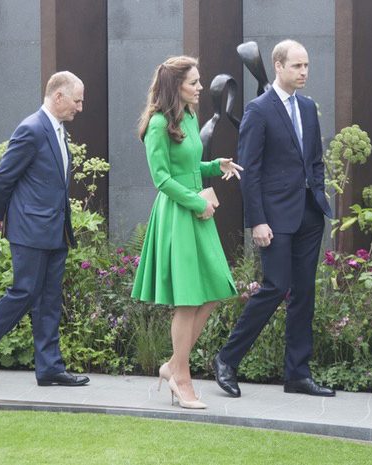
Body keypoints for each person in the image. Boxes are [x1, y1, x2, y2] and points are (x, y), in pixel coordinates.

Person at [213, 40, 335, 398]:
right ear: (278, 66)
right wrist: (258, 221)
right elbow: (250, 172)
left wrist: (319, 194)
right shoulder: (259, 110)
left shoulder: (309, 108)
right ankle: (226, 359)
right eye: (297, 66)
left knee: (304, 294)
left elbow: (314, 159)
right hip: (275, 219)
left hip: (309, 216)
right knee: (275, 287)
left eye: (307, 65)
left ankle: (297, 374)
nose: (304, 72)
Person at [0, 71, 90, 387]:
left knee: (48, 299)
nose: (80, 107)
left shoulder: (58, 131)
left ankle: (49, 368)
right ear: (58, 97)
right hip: (30, 229)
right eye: (77, 100)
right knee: (24, 292)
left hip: (55, 231)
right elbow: (2, 178)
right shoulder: (31, 129)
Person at [131, 56, 242, 409]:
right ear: (174, 85)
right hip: (179, 215)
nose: (199, 87)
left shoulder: (190, 117)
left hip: (198, 212)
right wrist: (196, 203)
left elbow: (191, 165)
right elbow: (161, 178)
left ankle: (173, 366)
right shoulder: (157, 124)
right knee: (189, 299)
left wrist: (215, 164)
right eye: (193, 82)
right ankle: (182, 377)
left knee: (214, 290)